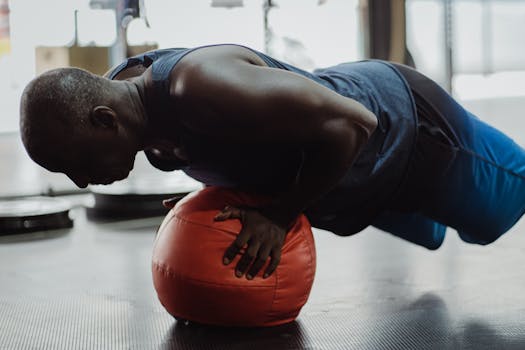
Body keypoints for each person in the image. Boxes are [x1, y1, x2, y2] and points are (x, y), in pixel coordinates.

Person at [19, 44, 525, 280]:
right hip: (361, 187)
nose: (83, 180)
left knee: (500, 212)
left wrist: (279, 216)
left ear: (105, 119)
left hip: (408, 130)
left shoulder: (200, 86)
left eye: (75, 164)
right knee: (436, 230)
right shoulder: (131, 109)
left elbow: (353, 124)